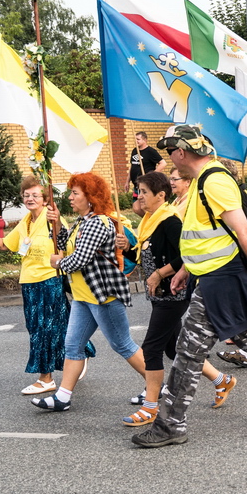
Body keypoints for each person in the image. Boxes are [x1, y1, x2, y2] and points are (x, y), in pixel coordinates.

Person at [132, 125, 247, 448]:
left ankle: (171, 424)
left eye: (170, 152)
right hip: (215, 277)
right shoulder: (203, 181)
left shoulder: (214, 181)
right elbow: (206, 235)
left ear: (181, 152)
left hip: (223, 280)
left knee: (188, 352)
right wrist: (187, 269)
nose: (169, 160)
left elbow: (244, 231)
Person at [123, 170, 236, 427]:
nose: (140, 197)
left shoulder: (170, 221)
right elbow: (145, 254)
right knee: (174, 348)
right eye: (139, 191)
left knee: (151, 348)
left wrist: (159, 274)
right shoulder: (149, 221)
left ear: (161, 195)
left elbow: (185, 254)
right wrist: (127, 247)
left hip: (173, 294)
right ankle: (222, 380)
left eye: (144, 192)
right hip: (159, 294)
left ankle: (150, 406)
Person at [34, 172, 146, 413]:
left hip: (102, 296)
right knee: (73, 346)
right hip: (83, 296)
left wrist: (58, 263)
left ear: (90, 197)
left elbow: (79, 259)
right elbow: (64, 244)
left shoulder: (97, 223)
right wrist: (56, 223)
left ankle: (158, 386)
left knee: (123, 345)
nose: (70, 197)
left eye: (75, 193)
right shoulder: (82, 221)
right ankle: (62, 397)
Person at [0, 176, 79, 396]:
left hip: (50, 280)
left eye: (35, 195)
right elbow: (4, 245)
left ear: (45, 199)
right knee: (50, 326)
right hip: (29, 282)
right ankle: (80, 354)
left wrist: (58, 222)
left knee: (44, 329)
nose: (30, 199)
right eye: (26, 195)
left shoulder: (52, 217)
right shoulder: (26, 221)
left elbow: (66, 243)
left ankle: (45, 378)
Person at [128, 132, 165, 209]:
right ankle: (147, 217)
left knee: (144, 207)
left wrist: (152, 176)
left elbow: (163, 163)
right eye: (135, 139)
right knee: (136, 207)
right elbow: (132, 166)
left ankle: (151, 216)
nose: (136, 141)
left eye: (138, 139)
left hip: (146, 184)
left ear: (145, 140)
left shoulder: (150, 151)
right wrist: (127, 181)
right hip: (136, 184)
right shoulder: (135, 151)